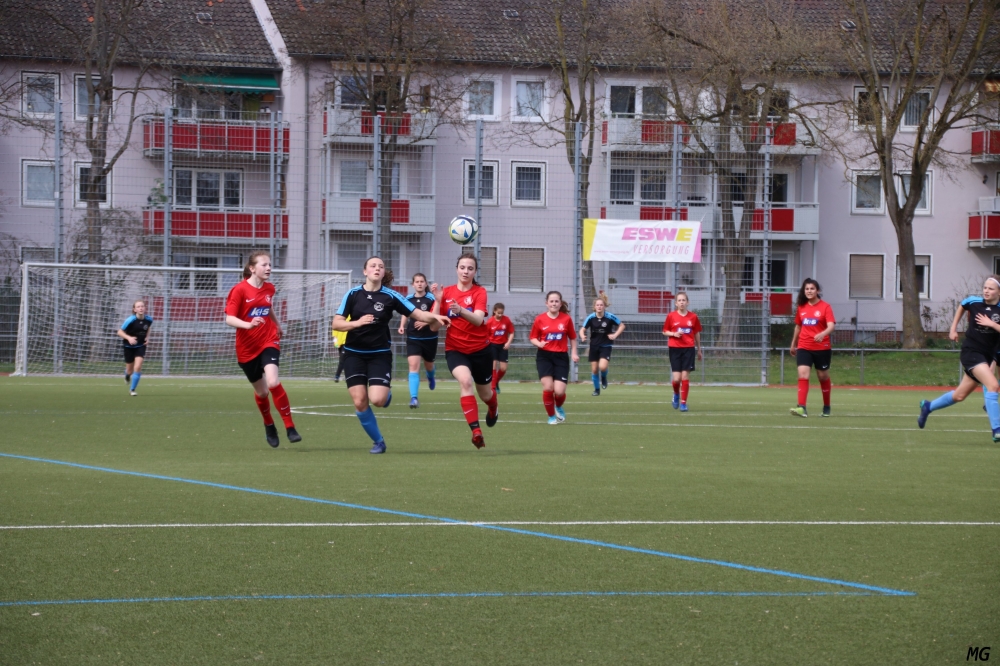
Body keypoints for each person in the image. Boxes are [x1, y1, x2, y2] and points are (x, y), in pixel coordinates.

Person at [333, 256, 448, 454]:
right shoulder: (352, 294)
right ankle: (378, 441)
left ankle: (385, 393)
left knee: (378, 400)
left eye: (381, 266)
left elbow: (418, 314)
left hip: (379, 354)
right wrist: (357, 323)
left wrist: (436, 316)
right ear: (365, 271)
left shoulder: (391, 296)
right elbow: (336, 323)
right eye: (373, 266)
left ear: (383, 272)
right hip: (354, 354)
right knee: (360, 401)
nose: (377, 268)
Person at [225, 251, 301, 448]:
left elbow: (268, 307)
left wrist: (277, 324)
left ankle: (290, 427)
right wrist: (248, 325)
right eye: (264, 265)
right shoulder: (239, 290)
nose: (269, 268)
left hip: (268, 340)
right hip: (246, 348)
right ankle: (269, 424)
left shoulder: (269, 288)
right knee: (262, 393)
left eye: (270, 265)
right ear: (252, 268)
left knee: (273, 381)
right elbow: (229, 319)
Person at [919, 276, 1000, 442]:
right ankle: (997, 429)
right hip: (971, 352)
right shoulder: (974, 302)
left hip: (986, 356)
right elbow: (963, 305)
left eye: (991, 289)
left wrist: (992, 324)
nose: (986, 291)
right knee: (993, 385)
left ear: (999, 292)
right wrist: (953, 328)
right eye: (985, 287)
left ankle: (928, 406)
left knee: (959, 396)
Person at [431, 253, 500, 449]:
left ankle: (493, 407)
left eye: (470, 268)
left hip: (481, 350)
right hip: (456, 350)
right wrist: (438, 302)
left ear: (475, 271)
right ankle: (476, 432)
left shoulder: (480, 292)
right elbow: (434, 327)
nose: (465, 271)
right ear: (456, 269)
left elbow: (478, 320)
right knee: (465, 381)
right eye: (462, 267)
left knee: (485, 395)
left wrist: (460, 310)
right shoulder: (446, 293)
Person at [530, 291, 579, 425]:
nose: (554, 304)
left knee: (559, 391)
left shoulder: (566, 319)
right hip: (544, 356)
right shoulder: (540, 319)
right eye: (551, 301)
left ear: (560, 303)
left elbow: (573, 338)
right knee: (548, 387)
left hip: (561, 357)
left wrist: (574, 353)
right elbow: (533, 337)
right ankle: (551, 416)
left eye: (556, 301)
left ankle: (558, 406)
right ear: (547, 303)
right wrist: (539, 343)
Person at [789, 278, 835, 417]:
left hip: (822, 347)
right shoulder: (801, 307)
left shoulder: (825, 307)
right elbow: (798, 326)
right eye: (807, 289)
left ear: (817, 290)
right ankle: (802, 407)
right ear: (804, 291)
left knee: (822, 376)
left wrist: (823, 334)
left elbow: (831, 326)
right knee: (803, 374)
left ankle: (826, 407)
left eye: (812, 288)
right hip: (804, 346)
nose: (809, 291)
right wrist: (793, 344)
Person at [397, 273, 438, 408]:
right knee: (413, 366)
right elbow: (405, 313)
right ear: (413, 284)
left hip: (430, 338)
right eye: (417, 281)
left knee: (429, 365)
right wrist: (402, 325)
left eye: (422, 281)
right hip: (413, 338)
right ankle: (414, 398)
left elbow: (437, 315)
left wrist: (425, 322)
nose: (419, 284)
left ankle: (430, 376)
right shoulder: (408, 299)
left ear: (426, 284)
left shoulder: (431, 298)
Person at [662, 292, 702, 411]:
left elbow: (696, 333)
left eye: (683, 300)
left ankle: (683, 403)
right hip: (674, 349)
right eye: (679, 300)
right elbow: (664, 331)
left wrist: (699, 349)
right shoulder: (671, 316)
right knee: (676, 379)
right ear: (676, 303)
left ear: (687, 302)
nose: (681, 302)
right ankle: (676, 394)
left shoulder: (693, 317)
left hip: (688, 349)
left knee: (685, 376)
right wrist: (674, 334)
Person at [579, 292, 624, 396]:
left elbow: (622, 325)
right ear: (594, 307)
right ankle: (596, 389)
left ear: (604, 306)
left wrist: (615, 335)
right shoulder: (591, 317)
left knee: (602, 367)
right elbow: (582, 329)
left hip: (606, 346)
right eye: (597, 305)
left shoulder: (610, 317)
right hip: (594, 346)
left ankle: (603, 377)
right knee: (594, 369)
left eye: (601, 305)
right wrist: (582, 336)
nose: (599, 307)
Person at [117, 300, 153, 396]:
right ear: (134, 309)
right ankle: (127, 375)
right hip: (128, 346)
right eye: (138, 307)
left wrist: (147, 337)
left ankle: (132, 390)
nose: (141, 308)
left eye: (142, 306)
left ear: (145, 308)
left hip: (140, 346)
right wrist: (129, 338)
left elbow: (148, 328)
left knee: (138, 367)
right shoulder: (130, 320)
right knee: (130, 370)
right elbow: (119, 332)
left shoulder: (149, 319)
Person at [487, 303, 515, 393]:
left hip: (503, 346)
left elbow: (512, 333)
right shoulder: (490, 322)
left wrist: (508, 343)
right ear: (494, 311)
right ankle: (493, 387)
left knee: (503, 368)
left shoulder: (506, 320)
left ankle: (496, 382)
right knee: (493, 365)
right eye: (498, 313)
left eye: (501, 313)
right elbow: (486, 335)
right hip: (493, 345)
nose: (500, 315)